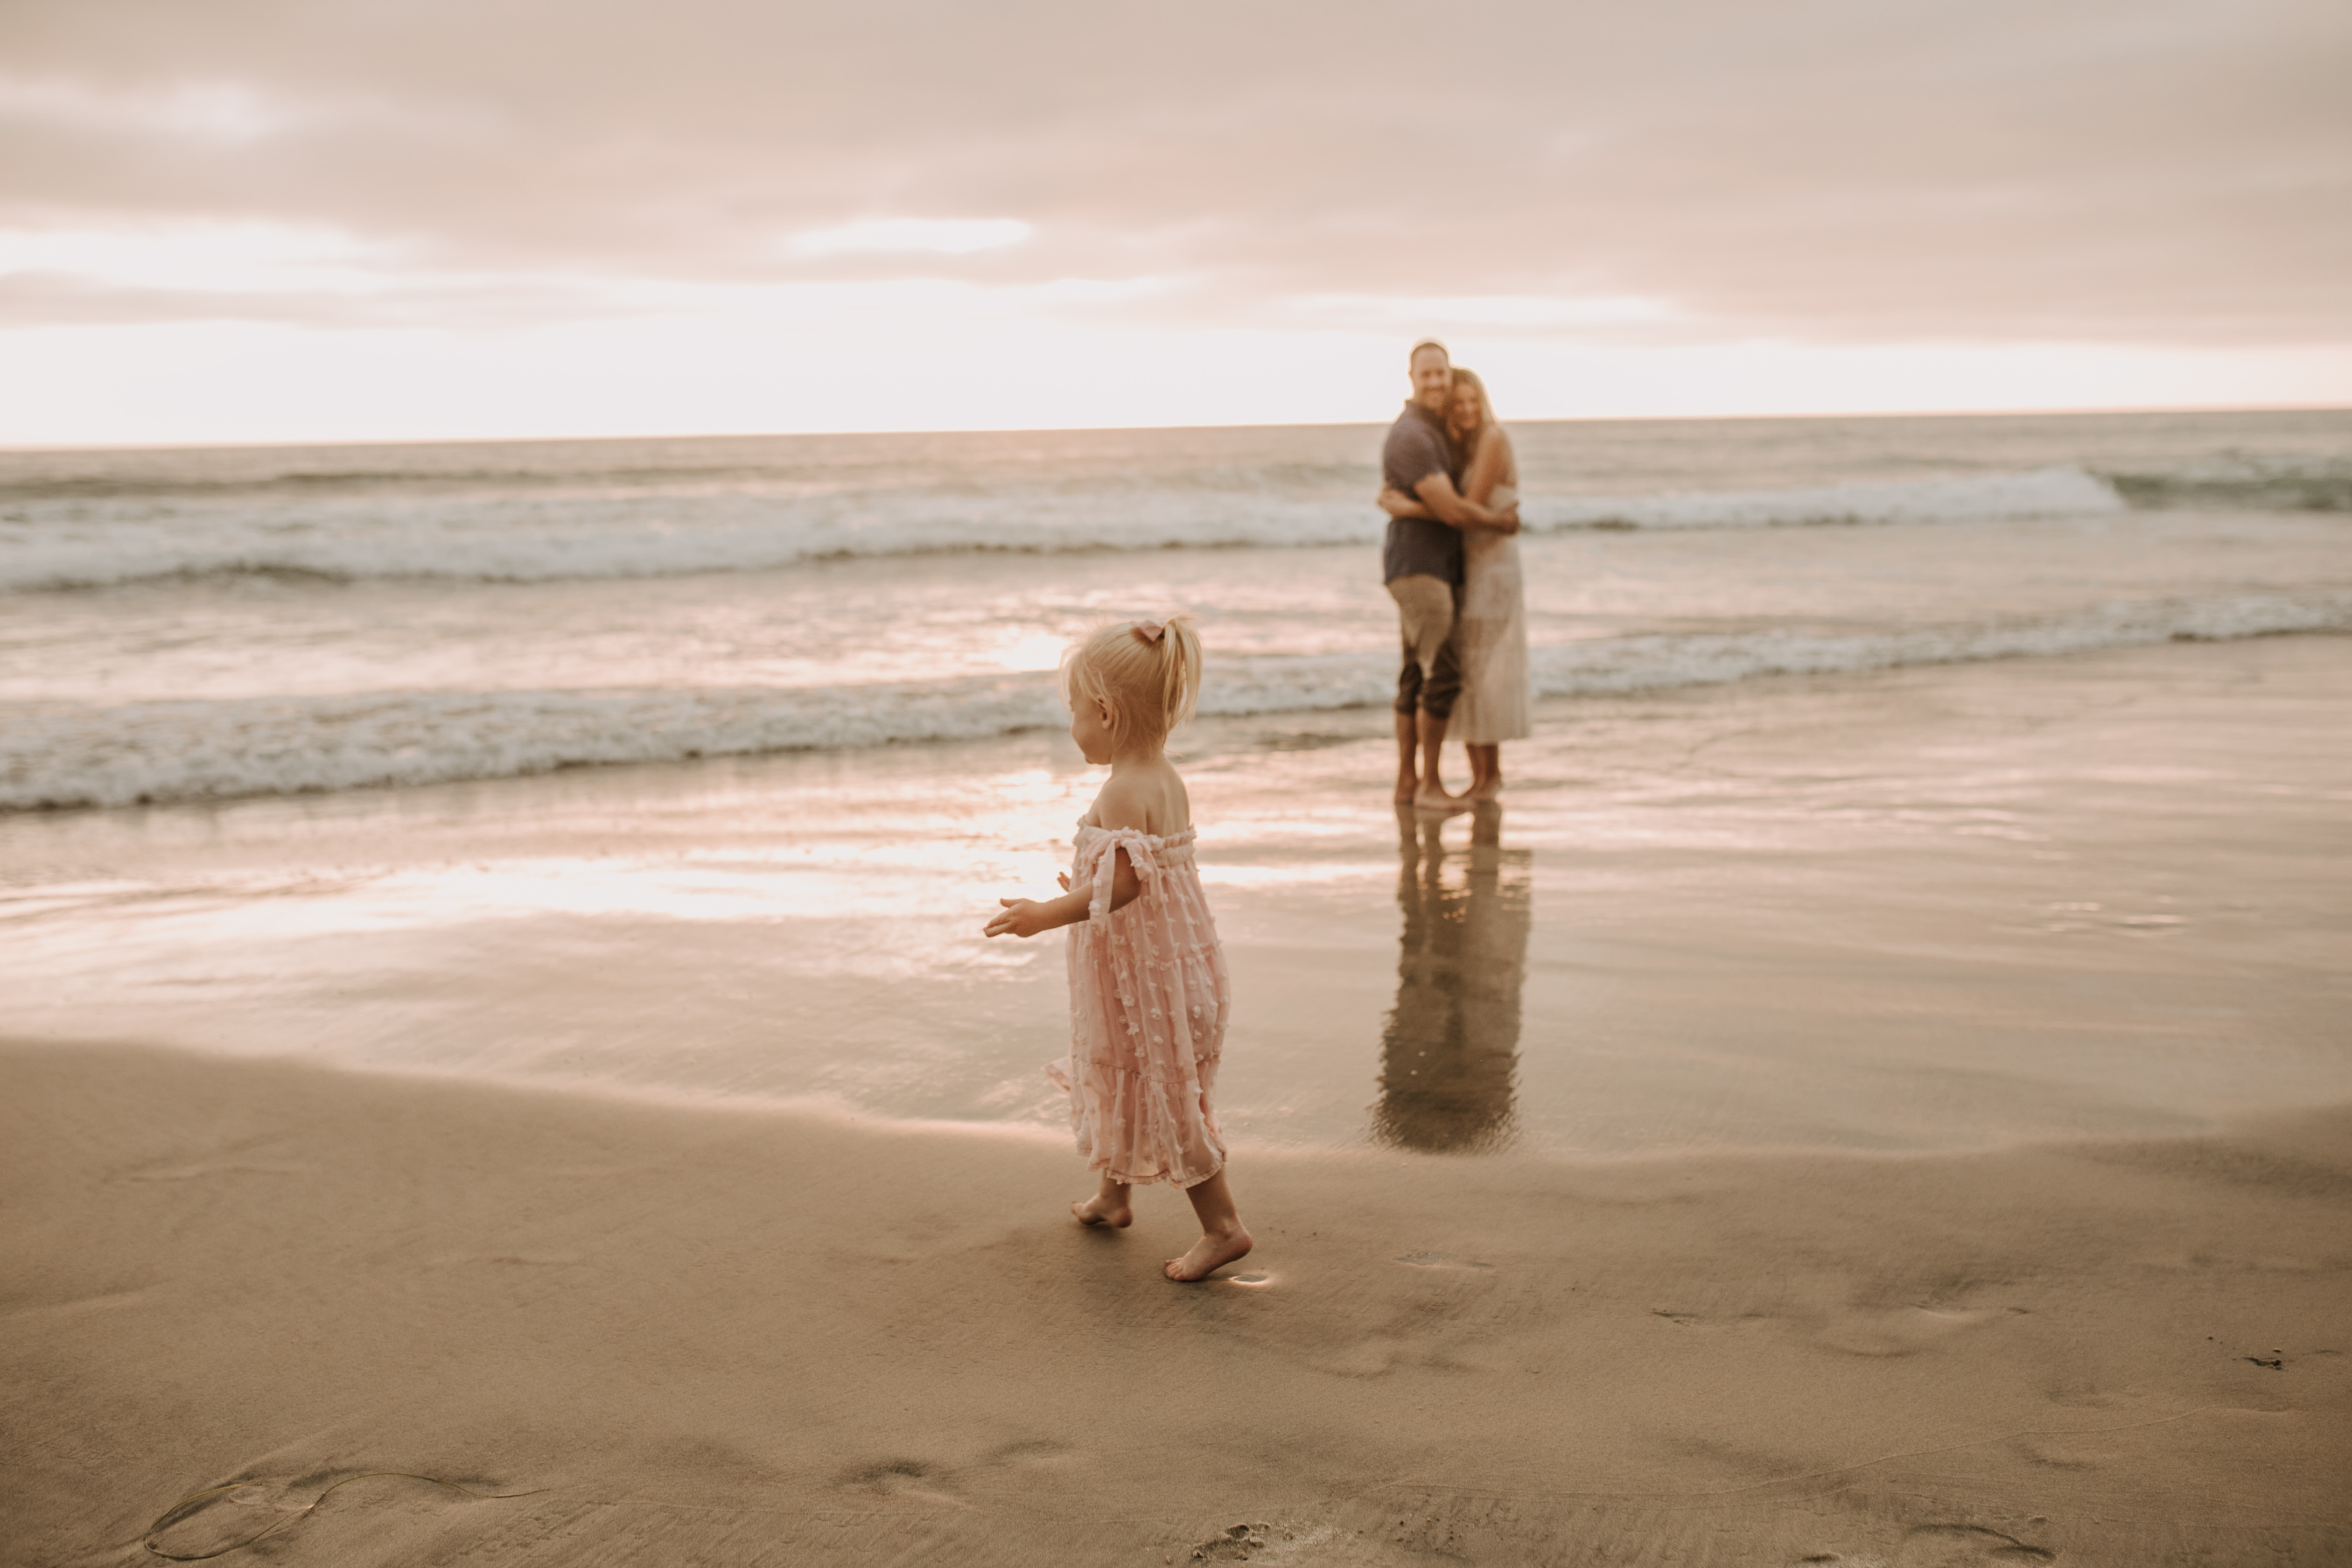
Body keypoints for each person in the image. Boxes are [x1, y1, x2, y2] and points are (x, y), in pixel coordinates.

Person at [982, 615, 1251, 1283]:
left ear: (1104, 712)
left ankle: (1223, 1228)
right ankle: (1113, 1195)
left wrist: (1048, 913)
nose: (1073, 726)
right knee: (1123, 1064)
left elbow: (1128, 885)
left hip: (1146, 975)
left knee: (1159, 1087)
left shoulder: (1121, 790)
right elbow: (1147, 873)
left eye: (1074, 712)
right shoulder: (1166, 778)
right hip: (1179, 959)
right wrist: (1088, 888)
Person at [1381, 341, 1520, 811]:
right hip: (1422, 569)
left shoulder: (1434, 432)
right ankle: (1429, 786)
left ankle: (1409, 785)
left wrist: (1405, 506)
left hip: (1427, 566)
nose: (1438, 384)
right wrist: (1499, 523)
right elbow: (1455, 512)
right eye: (1429, 375)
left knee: (1417, 678)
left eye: (1443, 374)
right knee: (1443, 675)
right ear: (1413, 377)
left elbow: (1453, 505)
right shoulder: (1414, 436)